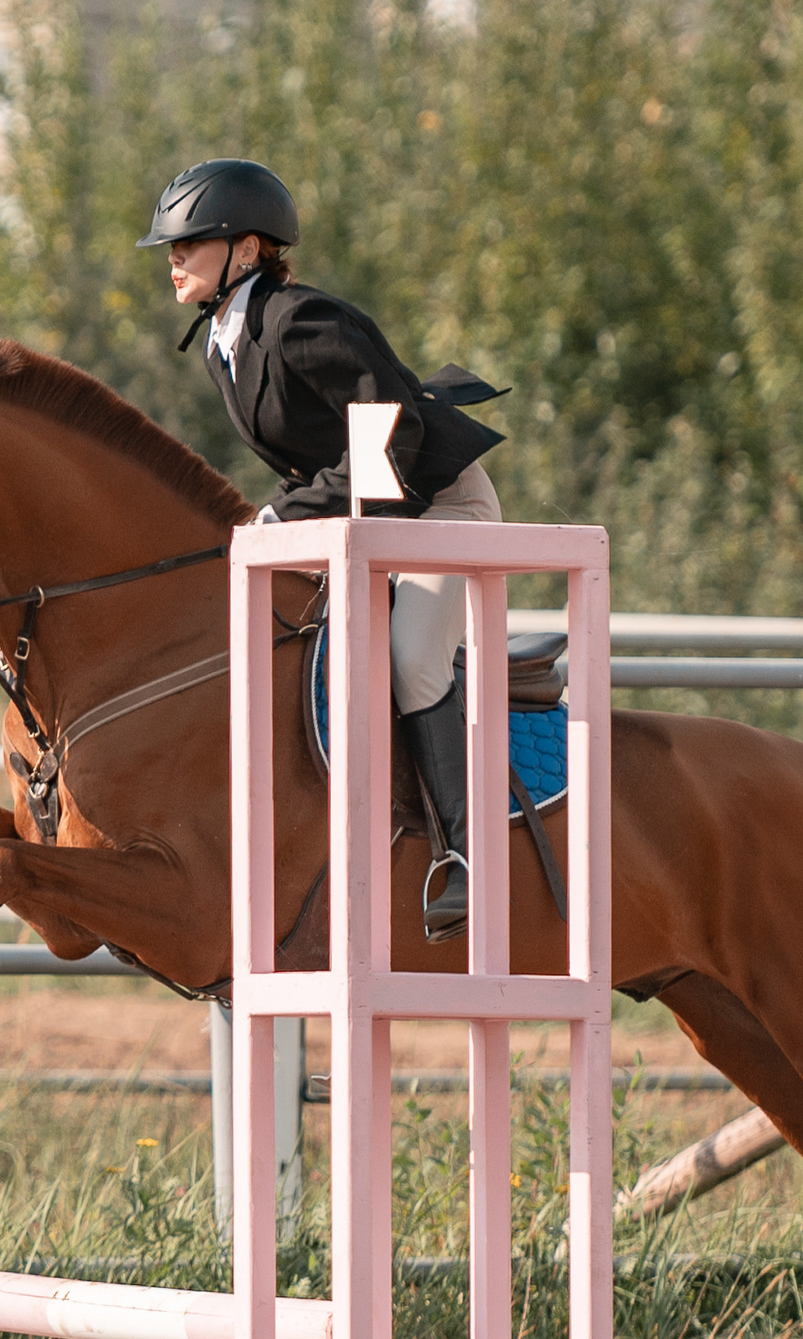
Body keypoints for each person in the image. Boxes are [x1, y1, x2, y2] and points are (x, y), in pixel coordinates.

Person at [140, 157, 508, 939]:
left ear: (245, 249)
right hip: (372, 508)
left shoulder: (301, 320)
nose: (174, 258)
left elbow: (391, 433)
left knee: (410, 654)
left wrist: (282, 518)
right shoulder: (221, 344)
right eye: (172, 246)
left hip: (439, 499)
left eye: (190, 243)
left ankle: (467, 858)